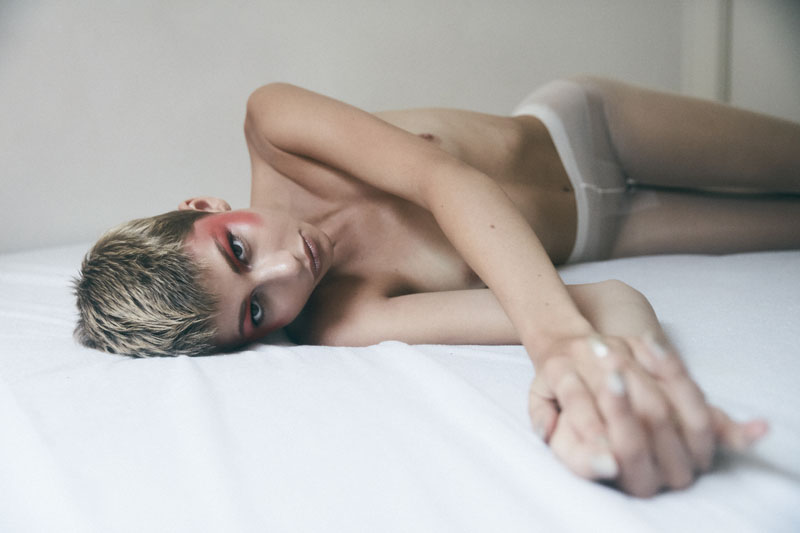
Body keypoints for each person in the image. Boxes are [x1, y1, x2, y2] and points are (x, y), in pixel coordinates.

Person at [74, 76, 800, 497]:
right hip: (606, 230)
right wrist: (622, 394)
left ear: (204, 205)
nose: (286, 270)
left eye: (238, 249)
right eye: (257, 309)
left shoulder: (275, 128)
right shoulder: (343, 319)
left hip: (590, 130)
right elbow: (614, 302)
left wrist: (556, 345)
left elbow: (441, 177)